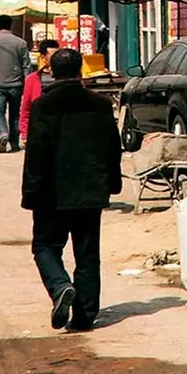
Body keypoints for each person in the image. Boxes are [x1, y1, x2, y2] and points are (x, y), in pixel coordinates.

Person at [21, 48, 122, 332]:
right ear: (82, 71)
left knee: (45, 246)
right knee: (87, 255)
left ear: (52, 72)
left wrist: (31, 192)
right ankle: (84, 316)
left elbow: (36, 152)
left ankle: (60, 286)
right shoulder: (100, 105)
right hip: (90, 190)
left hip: (52, 192)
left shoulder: (44, 105)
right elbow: (113, 148)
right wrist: (113, 183)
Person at [0, 15, 32, 153]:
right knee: (15, 114)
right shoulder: (20, 43)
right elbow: (27, 66)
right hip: (16, 83)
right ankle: (14, 143)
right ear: (11, 26)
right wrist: (28, 83)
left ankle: (3, 134)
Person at [20, 40, 60, 144]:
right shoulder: (32, 79)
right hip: (40, 131)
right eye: (53, 55)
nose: (56, 58)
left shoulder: (68, 78)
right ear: (43, 57)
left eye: (58, 54)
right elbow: (26, 108)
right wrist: (25, 133)